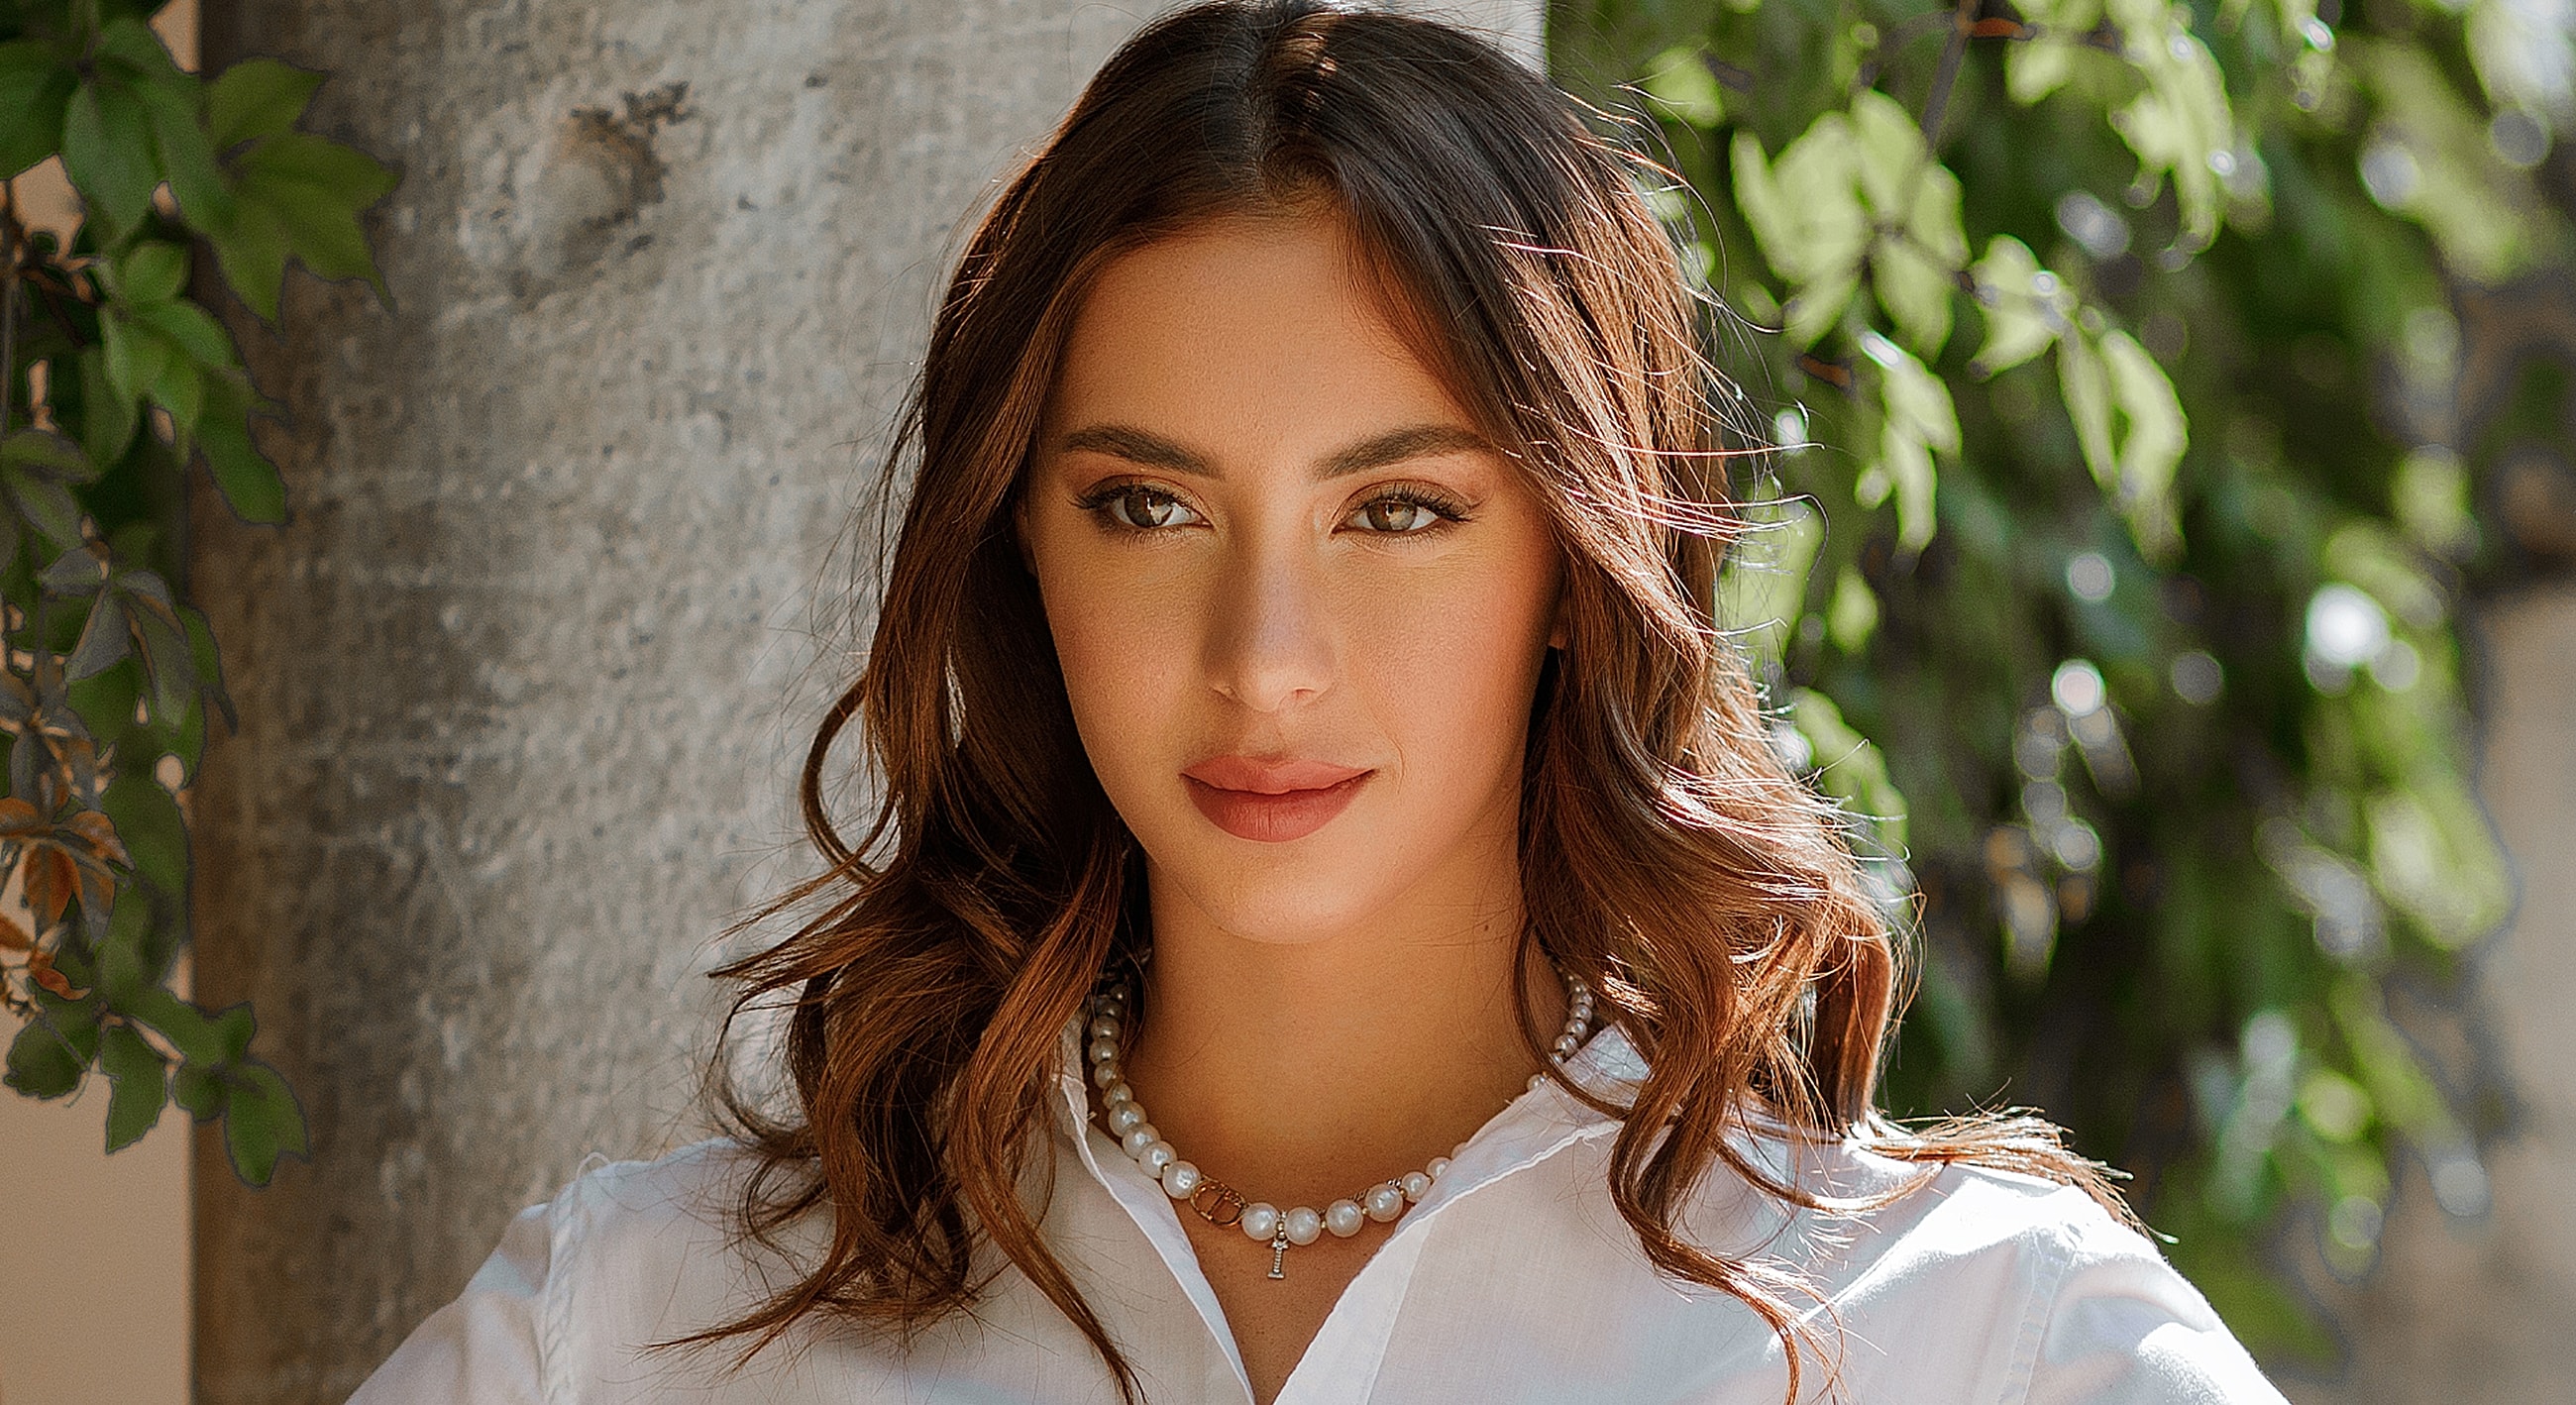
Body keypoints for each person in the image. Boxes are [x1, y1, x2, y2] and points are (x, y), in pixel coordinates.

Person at [349, 2, 2292, 1401]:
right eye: (1146, 503)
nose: (1262, 652)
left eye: (1397, 509)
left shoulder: (1981, 1335)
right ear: (1024, 546)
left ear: (1568, 562)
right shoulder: (639, 1327)